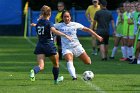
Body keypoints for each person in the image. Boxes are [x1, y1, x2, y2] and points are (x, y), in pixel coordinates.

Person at [54, 11, 103, 80]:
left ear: (70, 17)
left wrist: (97, 36)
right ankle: (74, 77)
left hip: (77, 46)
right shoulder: (59, 25)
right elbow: (48, 26)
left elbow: (88, 29)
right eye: (65, 16)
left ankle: (78, 56)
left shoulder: (75, 24)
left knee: (88, 62)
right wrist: (36, 24)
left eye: (68, 16)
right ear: (62, 17)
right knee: (69, 60)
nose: (66, 18)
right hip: (66, 48)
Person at [30, 5, 72, 84]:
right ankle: (55, 80)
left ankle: (34, 71)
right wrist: (65, 35)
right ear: (49, 13)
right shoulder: (49, 23)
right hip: (49, 45)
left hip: (40, 45)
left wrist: (35, 25)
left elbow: (38, 33)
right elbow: (54, 31)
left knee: (41, 66)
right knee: (56, 64)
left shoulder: (39, 23)